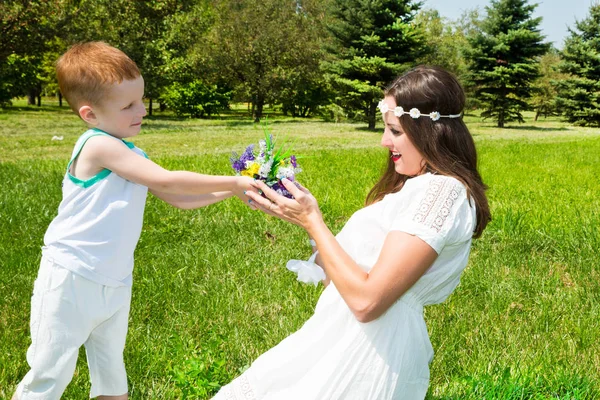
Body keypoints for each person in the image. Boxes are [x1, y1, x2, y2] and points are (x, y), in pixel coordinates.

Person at [213, 66, 491, 400]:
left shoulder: (442, 193)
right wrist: (301, 217)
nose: (384, 141)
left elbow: (367, 301)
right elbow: (346, 287)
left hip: (370, 355)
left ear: (431, 132)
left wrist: (314, 221)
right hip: (338, 339)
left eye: (395, 131)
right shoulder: (416, 188)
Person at [12, 41, 256, 400]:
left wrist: (232, 193)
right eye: (128, 105)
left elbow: (175, 197)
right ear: (90, 115)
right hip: (71, 278)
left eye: (141, 99)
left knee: (112, 375)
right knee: (50, 374)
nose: (142, 109)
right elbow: (167, 180)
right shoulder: (97, 145)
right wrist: (233, 181)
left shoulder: (130, 152)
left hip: (114, 280)